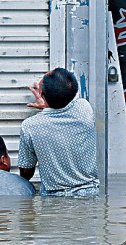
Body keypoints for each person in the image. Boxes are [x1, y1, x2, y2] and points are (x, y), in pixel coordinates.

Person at [17, 67, 99, 197]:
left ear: (41, 93)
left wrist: (47, 105)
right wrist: (49, 104)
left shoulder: (30, 126)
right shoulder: (85, 109)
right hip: (90, 194)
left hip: (53, 199)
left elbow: (26, 172)